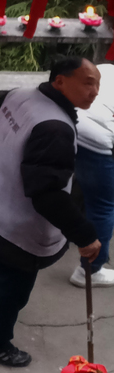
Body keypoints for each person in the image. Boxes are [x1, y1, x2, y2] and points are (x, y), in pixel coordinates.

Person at [0, 55, 103, 367]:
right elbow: (46, 194)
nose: (95, 91)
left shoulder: (17, 95)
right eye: (88, 83)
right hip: (17, 225)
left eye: (98, 84)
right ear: (60, 81)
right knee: (12, 282)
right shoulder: (55, 128)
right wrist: (84, 235)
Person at [73, 61, 114, 287]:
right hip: (96, 140)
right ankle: (89, 271)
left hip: (69, 124)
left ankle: (71, 234)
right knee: (103, 206)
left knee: (81, 186)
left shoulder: (106, 68)